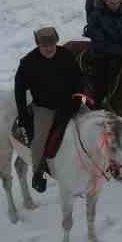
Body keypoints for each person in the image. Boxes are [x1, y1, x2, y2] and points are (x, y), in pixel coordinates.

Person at [13, 26, 86, 193]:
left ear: (56, 42)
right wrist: (23, 113)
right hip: (44, 108)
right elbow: (19, 89)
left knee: (93, 120)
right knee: (39, 139)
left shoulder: (65, 55)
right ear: (38, 45)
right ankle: (38, 172)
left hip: (70, 103)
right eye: (44, 46)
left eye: (51, 45)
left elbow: (79, 80)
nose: (48, 49)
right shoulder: (28, 63)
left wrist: (79, 101)